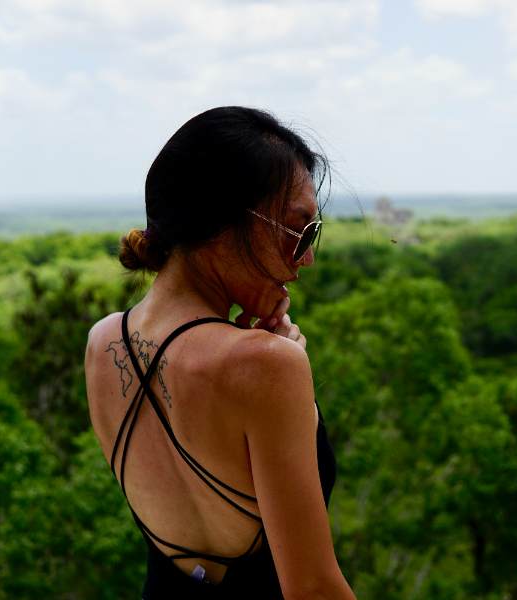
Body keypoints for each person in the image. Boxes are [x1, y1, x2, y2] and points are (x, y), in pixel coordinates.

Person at [84, 106, 356, 599]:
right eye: (300, 230)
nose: (308, 255)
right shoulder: (267, 366)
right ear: (227, 220)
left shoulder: (102, 343)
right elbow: (313, 589)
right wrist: (282, 375)